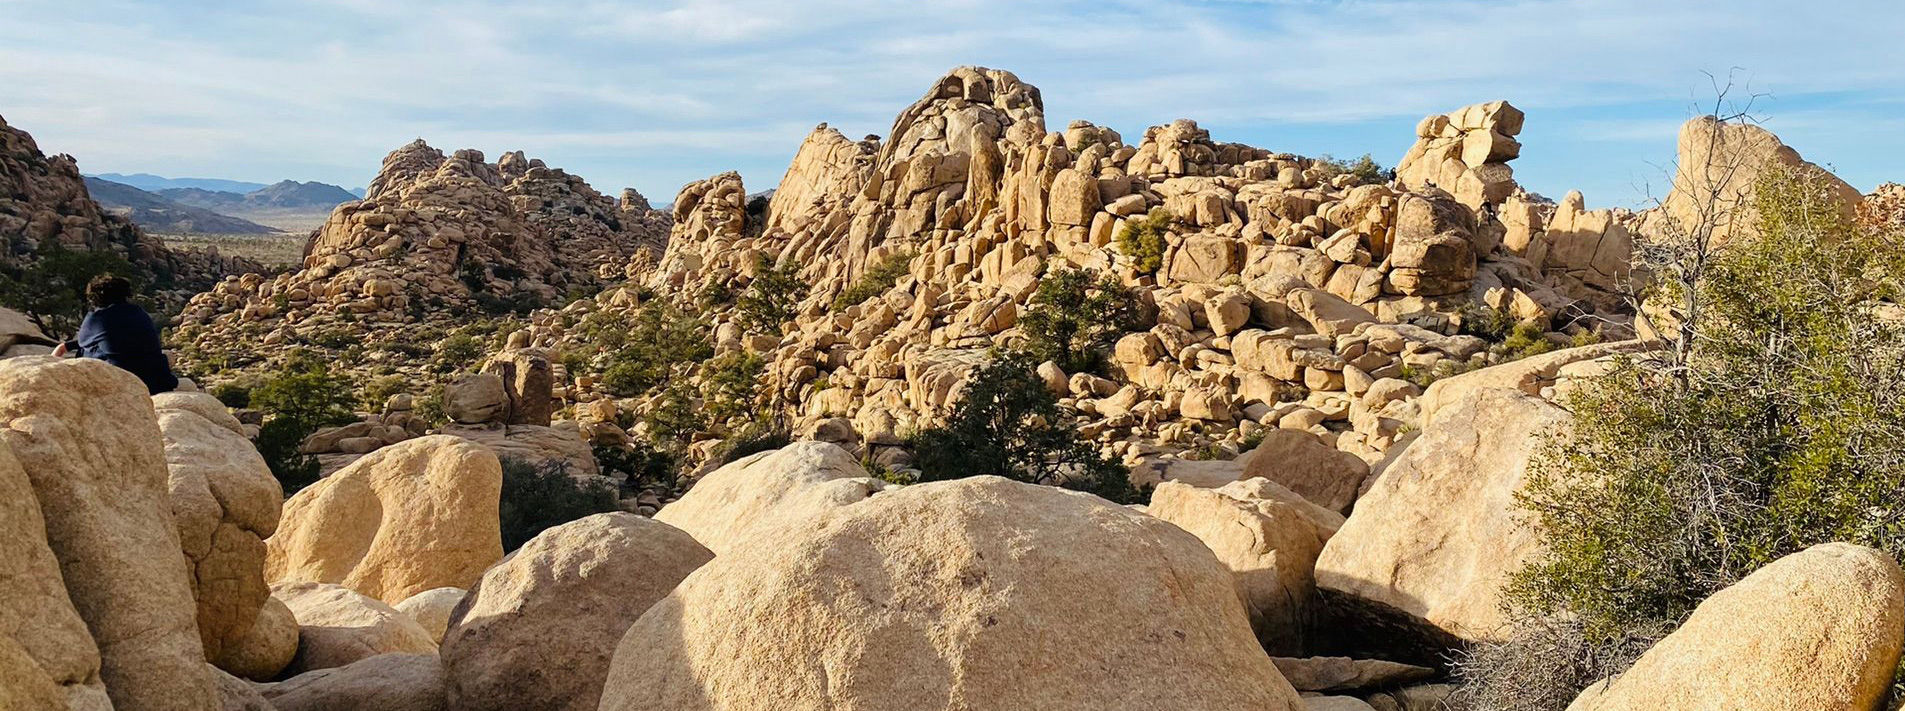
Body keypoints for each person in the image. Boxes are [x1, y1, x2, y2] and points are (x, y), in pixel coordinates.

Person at [52, 275, 179, 394]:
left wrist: (65, 347)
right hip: (158, 381)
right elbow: (118, 337)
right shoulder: (139, 312)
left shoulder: (97, 318)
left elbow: (85, 342)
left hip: (125, 382)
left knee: (86, 351)